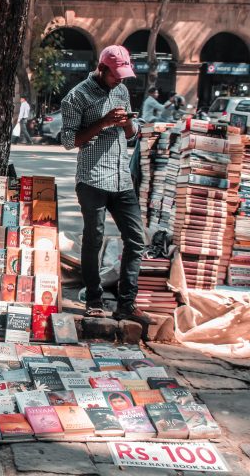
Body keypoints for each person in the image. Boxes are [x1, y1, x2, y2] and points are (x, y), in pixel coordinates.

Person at [60, 45, 154, 327]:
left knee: (137, 239)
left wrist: (127, 125)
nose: (121, 80)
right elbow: (68, 141)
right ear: (102, 70)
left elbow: (130, 136)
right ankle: (93, 301)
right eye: (116, 75)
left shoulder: (122, 91)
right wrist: (102, 123)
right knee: (94, 239)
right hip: (92, 179)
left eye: (124, 75)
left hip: (121, 178)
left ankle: (127, 304)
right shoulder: (76, 97)